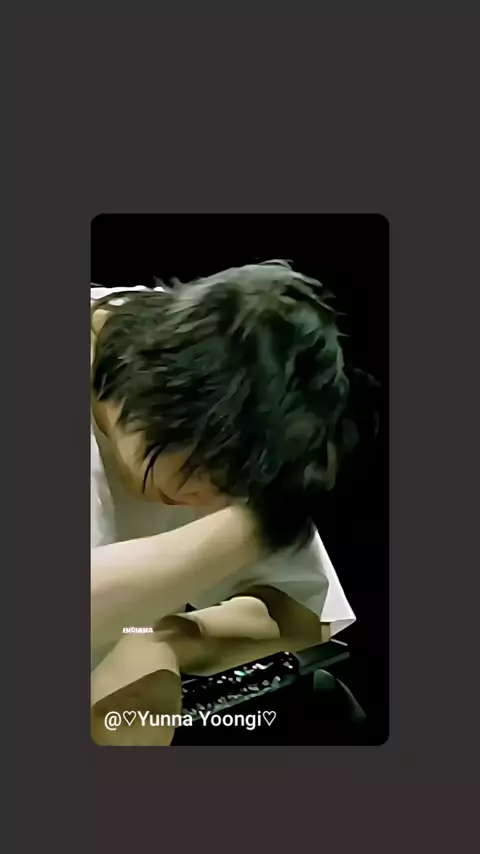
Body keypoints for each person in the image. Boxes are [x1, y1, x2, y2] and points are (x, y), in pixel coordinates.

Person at [90, 261, 357, 745]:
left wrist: (166, 637)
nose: (211, 500)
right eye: (203, 463)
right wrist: (250, 530)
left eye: (233, 482)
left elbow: (304, 610)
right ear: (162, 383)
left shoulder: (243, 389)